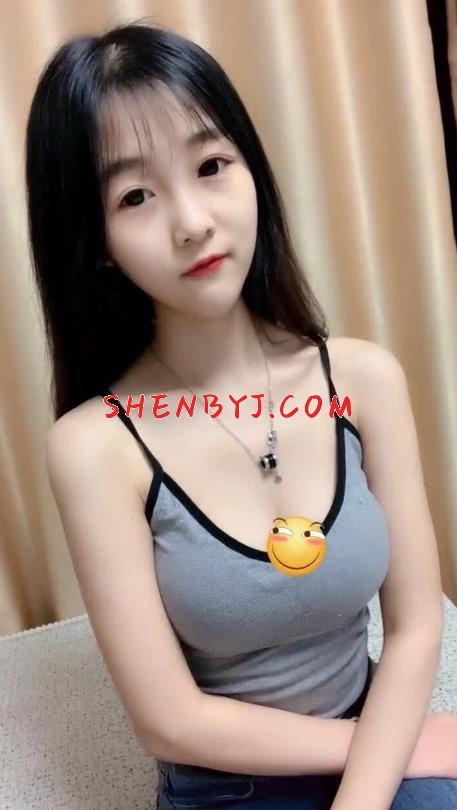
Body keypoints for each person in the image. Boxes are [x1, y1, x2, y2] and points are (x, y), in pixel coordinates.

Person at [25, 20, 457, 810]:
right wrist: (395, 751)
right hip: (233, 791)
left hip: (384, 751)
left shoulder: (363, 380)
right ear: (96, 241)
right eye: (135, 196)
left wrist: (366, 786)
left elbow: (413, 627)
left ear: (251, 169)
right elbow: (169, 723)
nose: (191, 221)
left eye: (210, 165)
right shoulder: (93, 446)